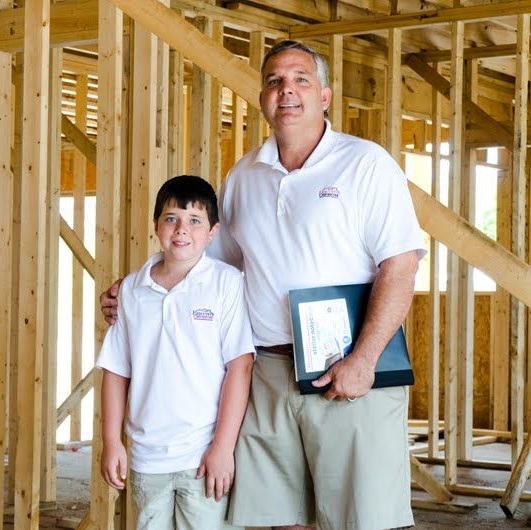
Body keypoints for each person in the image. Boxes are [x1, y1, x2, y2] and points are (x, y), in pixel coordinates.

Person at [101, 41, 426, 530]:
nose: (286, 90)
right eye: (274, 80)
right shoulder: (243, 176)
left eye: (300, 79)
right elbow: (205, 259)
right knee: (279, 517)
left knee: (363, 519)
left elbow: (400, 266)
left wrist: (365, 359)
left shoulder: (365, 164)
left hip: (348, 370)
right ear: (262, 98)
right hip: (269, 370)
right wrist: (140, 283)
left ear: (325, 96)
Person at [96, 175, 254, 530]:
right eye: (171, 218)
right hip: (147, 459)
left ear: (213, 232)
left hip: (203, 456)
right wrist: (111, 442)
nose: (181, 229)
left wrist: (223, 448)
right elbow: (115, 370)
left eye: (195, 221)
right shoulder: (133, 290)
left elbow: (239, 368)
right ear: (156, 226)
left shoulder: (227, 284)